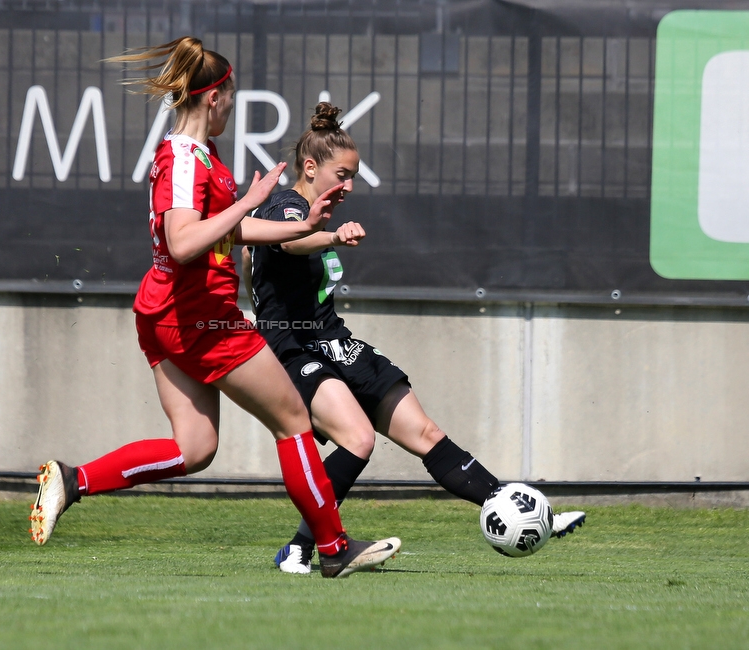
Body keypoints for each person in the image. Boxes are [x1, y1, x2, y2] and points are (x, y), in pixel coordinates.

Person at [29, 39, 400, 579]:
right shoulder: (182, 158)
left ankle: (73, 479)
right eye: (230, 95)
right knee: (294, 421)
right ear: (213, 98)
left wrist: (303, 225)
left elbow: (232, 231)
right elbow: (183, 242)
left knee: (196, 447)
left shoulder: (199, 157)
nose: (232, 105)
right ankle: (333, 547)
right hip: (198, 317)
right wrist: (248, 202)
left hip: (167, 316)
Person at [244, 102, 586, 574]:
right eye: (341, 175)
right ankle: (304, 549)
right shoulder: (288, 207)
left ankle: (522, 512)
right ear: (309, 167)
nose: (348, 187)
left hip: (332, 339)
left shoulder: (312, 210)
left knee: (424, 432)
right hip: (294, 347)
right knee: (358, 439)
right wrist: (327, 237)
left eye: (353, 177)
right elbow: (285, 239)